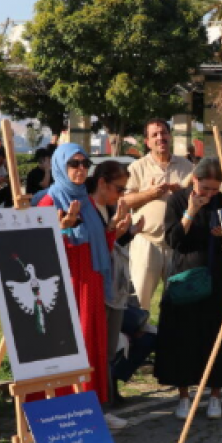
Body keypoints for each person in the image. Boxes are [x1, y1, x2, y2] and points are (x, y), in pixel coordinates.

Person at [36, 146, 129, 428]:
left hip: (92, 283)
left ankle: (93, 408)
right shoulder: (47, 201)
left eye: (85, 163)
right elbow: (39, 252)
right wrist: (63, 228)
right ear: (60, 166)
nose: (80, 168)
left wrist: (113, 229)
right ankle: (66, 410)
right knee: (70, 348)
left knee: (92, 347)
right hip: (66, 286)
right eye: (73, 163)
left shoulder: (86, 202)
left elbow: (97, 246)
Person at [154, 158, 222, 419]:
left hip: (217, 276)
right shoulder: (177, 200)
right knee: (184, 338)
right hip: (186, 275)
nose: (210, 194)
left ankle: (215, 396)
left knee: (217, 337)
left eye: (214, 189)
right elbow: (173, 240)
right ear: (194, 180)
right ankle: (184, 396)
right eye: (205, 188)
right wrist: (190, 212)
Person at [122, 119, 195, 309]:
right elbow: (125, 201)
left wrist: (181, 191)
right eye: (154, 135)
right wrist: (151, 193)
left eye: (163, 133)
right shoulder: (137, 167)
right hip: (147, 243)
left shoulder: (186, 166)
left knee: (179, 304)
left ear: (169, 136)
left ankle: (172, 339)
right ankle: (138, 338)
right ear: (147, 142)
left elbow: (198, 195)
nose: (160, 138)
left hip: (177, 243)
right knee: (140, 302)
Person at [88, 161, 141, 408]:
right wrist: (117, 231)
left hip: (114, 287)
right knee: (99, 349)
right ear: (102, 183)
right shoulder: (89, 208)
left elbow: (110, 243)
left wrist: (124, 232)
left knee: (109, 349)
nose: (121, 195)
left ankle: (108, 398)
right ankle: (102, 402)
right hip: (97, 288)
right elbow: (98, 248)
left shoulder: (106, 208)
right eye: (119, 189)